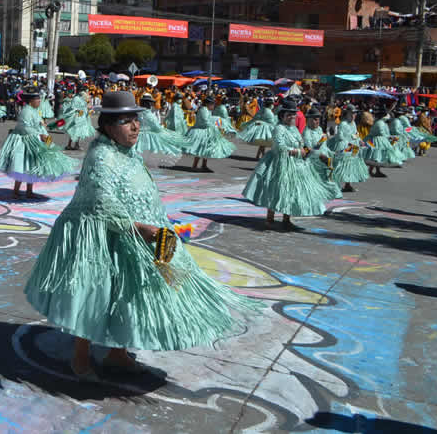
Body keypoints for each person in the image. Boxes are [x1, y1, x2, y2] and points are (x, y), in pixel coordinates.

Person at [24, 91, 262, 379]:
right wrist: (139, 228)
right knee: (95, 294)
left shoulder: (127, 152)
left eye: (135, 119)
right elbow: (102, 200)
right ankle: (81, 358)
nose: (135, 126)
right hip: (101, 236)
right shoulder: (101, 155)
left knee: (129, 295)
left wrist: (155, 225)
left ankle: (117, 353)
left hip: (139, 235)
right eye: (126, 121)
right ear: (109, 126)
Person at [242, 101, 335, 230]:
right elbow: (280, 147)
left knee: (292, 191)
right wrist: (298, 152)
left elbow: (301, 144)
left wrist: (309, 151)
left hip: (295, 164)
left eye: (293, 114)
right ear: (282, 115)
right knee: (276, 189)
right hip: (279, 164)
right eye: (289, 114)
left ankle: (286, 218)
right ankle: (270, 218)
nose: (292, 116)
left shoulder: (294, 129)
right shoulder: (279, 128)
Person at [0, 89, 76, 198]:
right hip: (25, 141)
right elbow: (25, 127)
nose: (39, 101)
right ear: (31, 101)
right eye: (37, 99)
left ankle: (29, 191)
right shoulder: (26, 111)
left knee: (33, 165)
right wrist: (39, 135)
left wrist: (45, 129)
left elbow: (38, 124)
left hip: (37, 139)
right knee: (22, 166)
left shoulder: (34, 110)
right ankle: (16, 191)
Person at [183, 95, 235, 172]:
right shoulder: (203, 110)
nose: (213, 106)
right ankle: (194, 166)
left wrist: (216, 123)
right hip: (200, 131)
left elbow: (209, 120)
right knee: (200, 149)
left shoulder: (207, 110)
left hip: (206, 131)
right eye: (212, 104)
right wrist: (216, 126)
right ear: (208, 104)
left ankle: (204, 165)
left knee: (206, 149)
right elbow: (205, 122)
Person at [133, 93, 186, 167]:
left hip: (138, 135)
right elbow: (157, 127)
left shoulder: (138, 113)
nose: (151, 104)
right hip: (148, 137)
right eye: (149, 103)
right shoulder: (149, 114)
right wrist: (163, 130)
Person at [301, 107, 342, 201]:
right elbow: (309, 149)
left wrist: (332, 152)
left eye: (318, 119)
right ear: (309, 120)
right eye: (315, 119)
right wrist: (320, 155)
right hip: (313, 159)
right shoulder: (307, 132)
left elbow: (324, 145)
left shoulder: (319, 129)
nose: (317, 121)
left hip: (324, 157)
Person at [326, 104, 369, 193]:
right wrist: (348, 143)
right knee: (340, 166)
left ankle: (348, 185)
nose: (354, 115)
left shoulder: (353, 123)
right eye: (353, 113)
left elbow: (356, 134)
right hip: (344, 147)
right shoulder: (343, 124)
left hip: (353, 147)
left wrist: (360, 140)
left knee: (351, 166)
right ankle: (334, 185)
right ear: (348, 113)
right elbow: (340, 137)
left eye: (355, 113)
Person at [362, 106, 404, 177]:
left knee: (378, 156)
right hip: (377, 140)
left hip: (380, 139)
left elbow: (385, 132)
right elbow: (381, 132)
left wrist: (389, 137)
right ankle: (371, 171)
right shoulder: (380, 123)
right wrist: (388, 137)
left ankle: (376, 171)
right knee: (376, 155)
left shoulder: (381, 122)